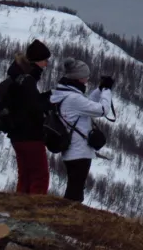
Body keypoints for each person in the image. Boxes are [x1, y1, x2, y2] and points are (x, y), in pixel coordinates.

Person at [50, 58, 114, 203]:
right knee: (75, 190)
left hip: (70, 149)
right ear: (78, 78)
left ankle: (69, 215)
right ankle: (70, 218)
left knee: (74, 186)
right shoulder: (73, 98)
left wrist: (99, 90)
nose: (87, 79)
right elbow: (102, 110)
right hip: (78, 150)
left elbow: (86, 104)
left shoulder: (63, 93)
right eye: (85, 76)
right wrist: (107, 90)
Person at [6, 39, 53, 195]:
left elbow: (25, 102)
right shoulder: (28, 81)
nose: (46, 65)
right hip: (30, 135)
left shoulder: (17, 76)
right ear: (37, 61)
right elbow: (34, 108)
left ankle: (19, 210)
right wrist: (48, 105)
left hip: (16, 135)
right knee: (39, 177)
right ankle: (34, 213)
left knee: (25, 176)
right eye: (45, 61)